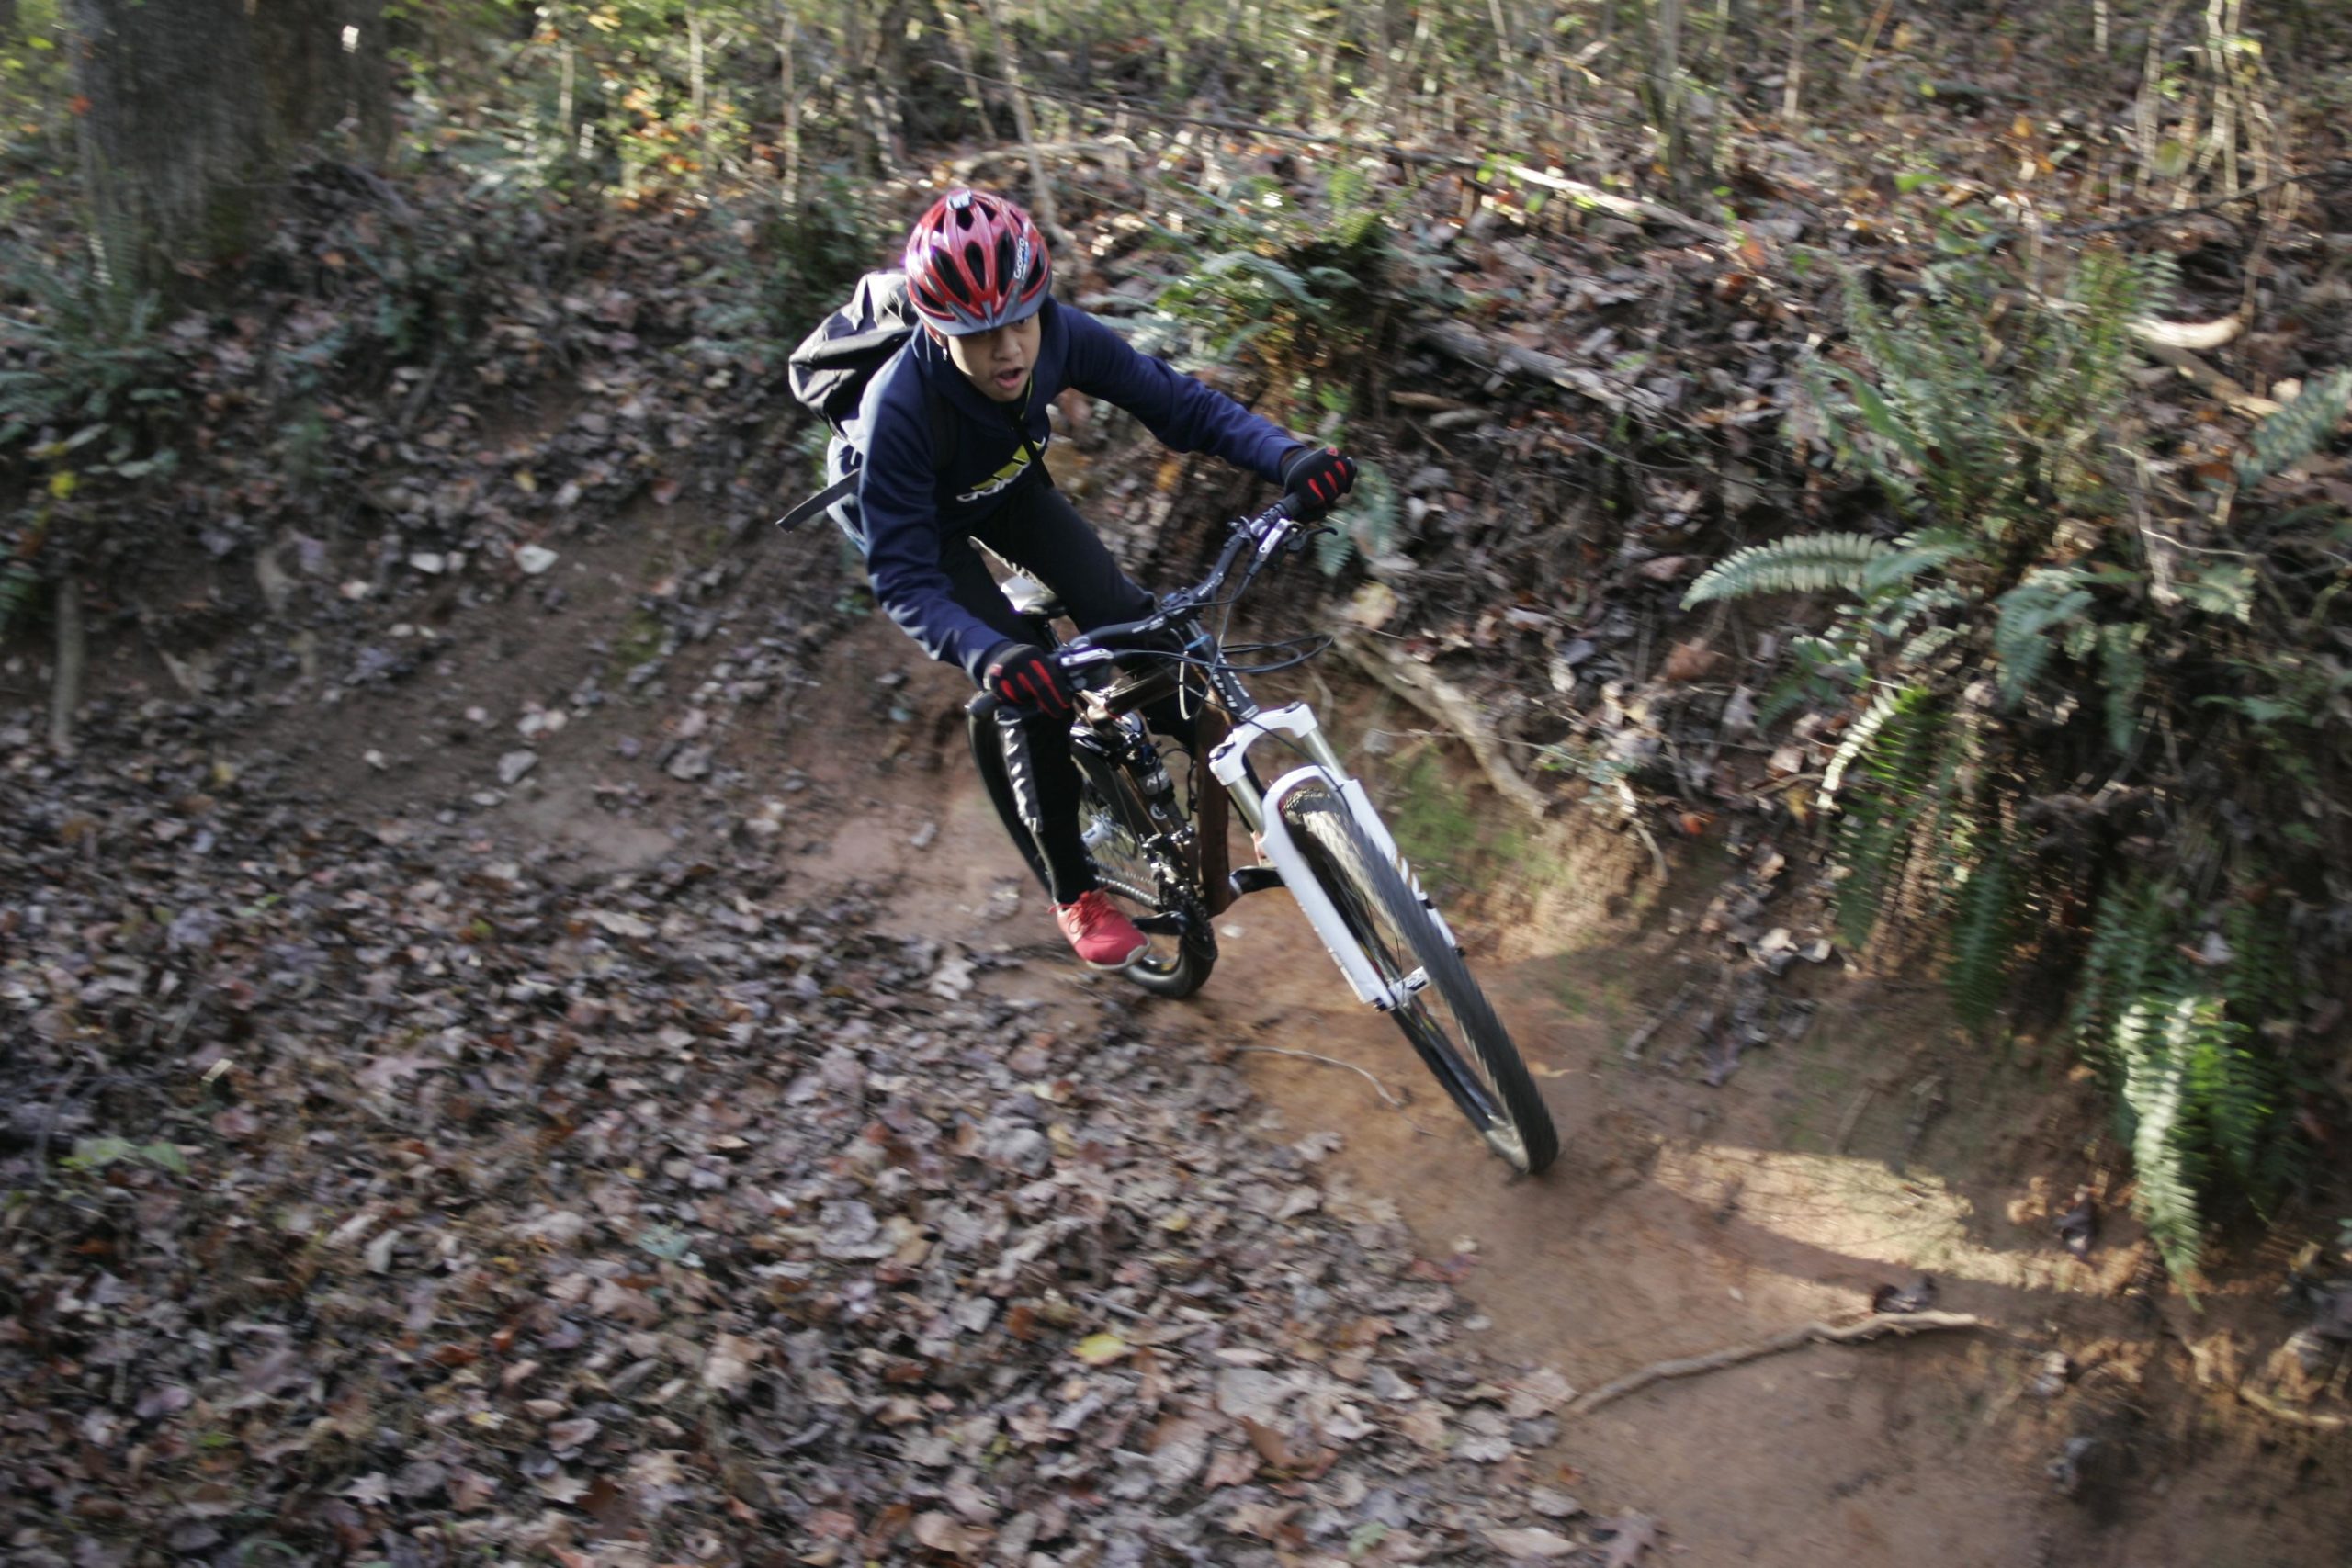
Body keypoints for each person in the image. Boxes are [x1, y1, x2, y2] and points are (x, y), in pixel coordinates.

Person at [829, 187, 1356, 969]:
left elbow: (1183, 406)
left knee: (1142, 629)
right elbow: (904, 578)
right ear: (939, 331)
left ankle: (1251, 807)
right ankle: (1075, 888)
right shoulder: (898, 409)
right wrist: (992, 657)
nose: (1008, 350)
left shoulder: (1063, 336)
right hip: (920, 529)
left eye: (1019, 322)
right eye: (980, 336)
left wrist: (1287, 458)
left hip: (1006, 487)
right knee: (1030, 688)